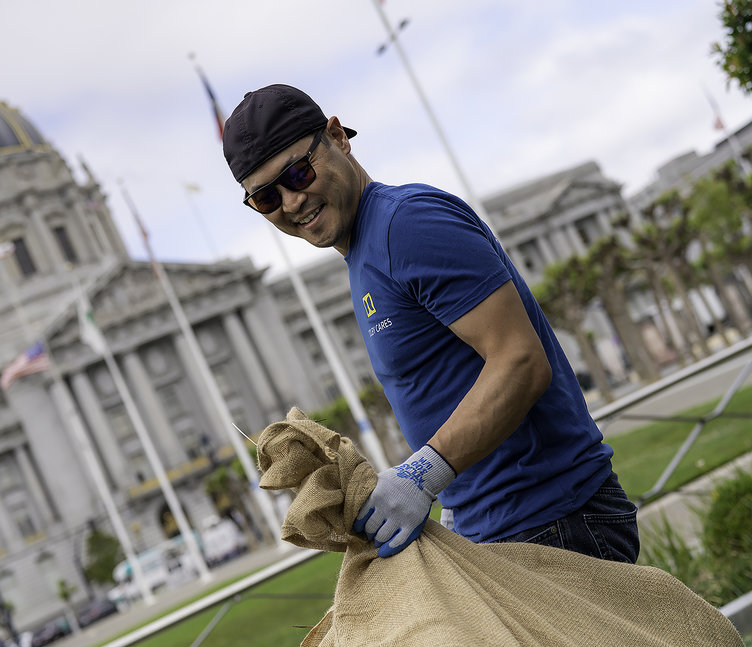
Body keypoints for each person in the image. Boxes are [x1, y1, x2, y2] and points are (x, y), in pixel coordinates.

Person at [222, 84, 639, 563]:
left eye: (299, 172)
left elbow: (521, 361)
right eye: (267, 197)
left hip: (553, 522)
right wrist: (456, 506)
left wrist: (423, 476)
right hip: (502, 529)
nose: (292, 201)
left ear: (338, 138)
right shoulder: (365, 249)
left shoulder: (407, 225)